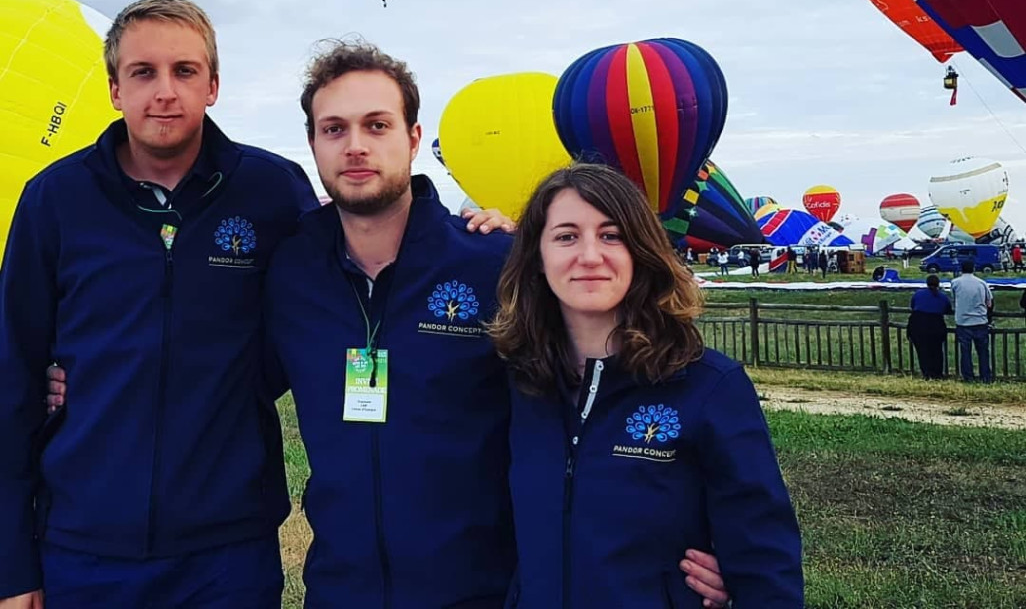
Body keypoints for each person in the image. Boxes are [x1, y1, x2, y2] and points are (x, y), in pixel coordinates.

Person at [260, 42, 731, 609]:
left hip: (487, 589)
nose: (356, 146)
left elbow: (614, 392)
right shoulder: (288, 271)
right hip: (340, 588)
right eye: (333, 129)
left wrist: (705, 534)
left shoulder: (495, 264)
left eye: (377, 125)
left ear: (412, 139)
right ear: (312, 144)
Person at [0, 0, 321, 609]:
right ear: (115, 89)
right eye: (143, 72)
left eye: (185, 71)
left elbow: (351, 271)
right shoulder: (54, 199)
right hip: (83, 545)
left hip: (227, 551)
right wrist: (12, 564)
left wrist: (469, 233)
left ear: (214, 85)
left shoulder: (271, 191)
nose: (165, 92)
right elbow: (12, 372)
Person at [488, 162, 803, 607]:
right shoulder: (519, 384)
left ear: (642, 251)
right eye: (565, 236)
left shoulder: (708, 386)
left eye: (611, 235)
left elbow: (765, 557)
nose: (590, 256)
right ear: (537, 259)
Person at [949, 260, 994, 383]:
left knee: (965, 352)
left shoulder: (955, 283)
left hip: (963, 322)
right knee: (983, 352)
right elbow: (989, 302)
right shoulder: (982, 283)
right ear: (973, 269)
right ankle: (986, 377)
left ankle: (968, 377)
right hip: (980, 321)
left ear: (961, 269)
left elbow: (953, 300)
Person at [906, 275, 952, 380]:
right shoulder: (943, 297)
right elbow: (947, 309)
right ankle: (937, 373)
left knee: (922, 351)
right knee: (936, 351)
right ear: (938, 284)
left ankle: (926, 373)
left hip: (917, 323)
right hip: (936, 324)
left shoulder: (918, 294)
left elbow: (913, 306)